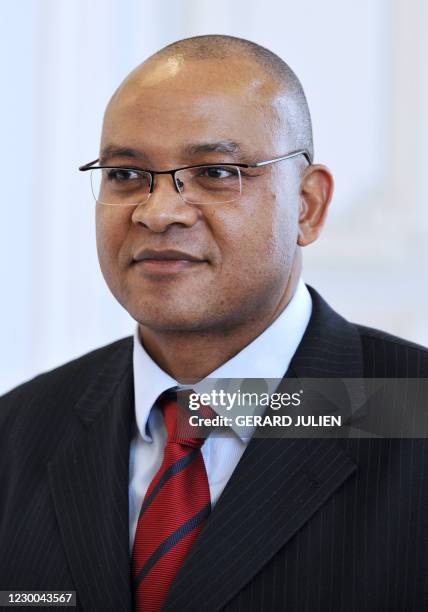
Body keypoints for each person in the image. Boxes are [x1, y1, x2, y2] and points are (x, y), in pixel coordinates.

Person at [0, 34, 427, 612]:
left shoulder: (410, 412)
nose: (158, 211)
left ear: (307, 205)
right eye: (126, 174)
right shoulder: (18, 430)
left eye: (216, 172)